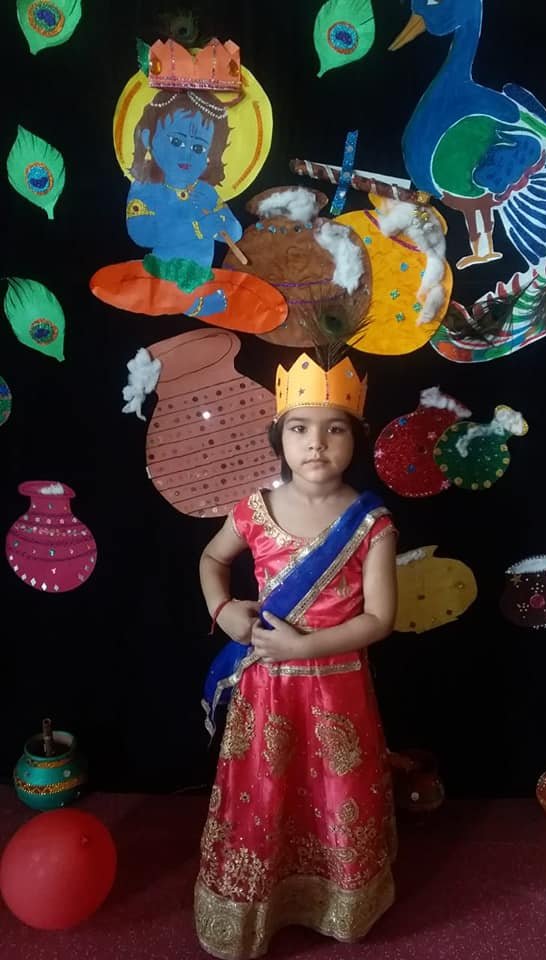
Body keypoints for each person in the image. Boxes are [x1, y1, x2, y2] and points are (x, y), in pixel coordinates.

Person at [194, 352, 398, 959]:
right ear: (279, 438)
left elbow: (380, 620)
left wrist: (304, 645)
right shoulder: (254, 510)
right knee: (264, 792)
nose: (316, 443)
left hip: (337, 688)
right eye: (300, 428)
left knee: (338, 793)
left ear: (355, 439)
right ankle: (255, 910)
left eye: (335, 429)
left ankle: (340, 903)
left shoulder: (372, 524)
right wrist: (224, 609)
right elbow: (212, 560)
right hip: (266, 689)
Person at [90, 89, 285, 334]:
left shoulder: (205, 191)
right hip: (162, 271)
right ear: (149, 137)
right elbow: (142, 234)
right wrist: (198, 228)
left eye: (199, 148)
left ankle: (194, 303)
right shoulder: (146, 186)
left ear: (211, 154)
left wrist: (220, 221)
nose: (186, 154)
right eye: (176, 142)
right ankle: (193, 305)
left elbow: (234, 234)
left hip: (201, 274)